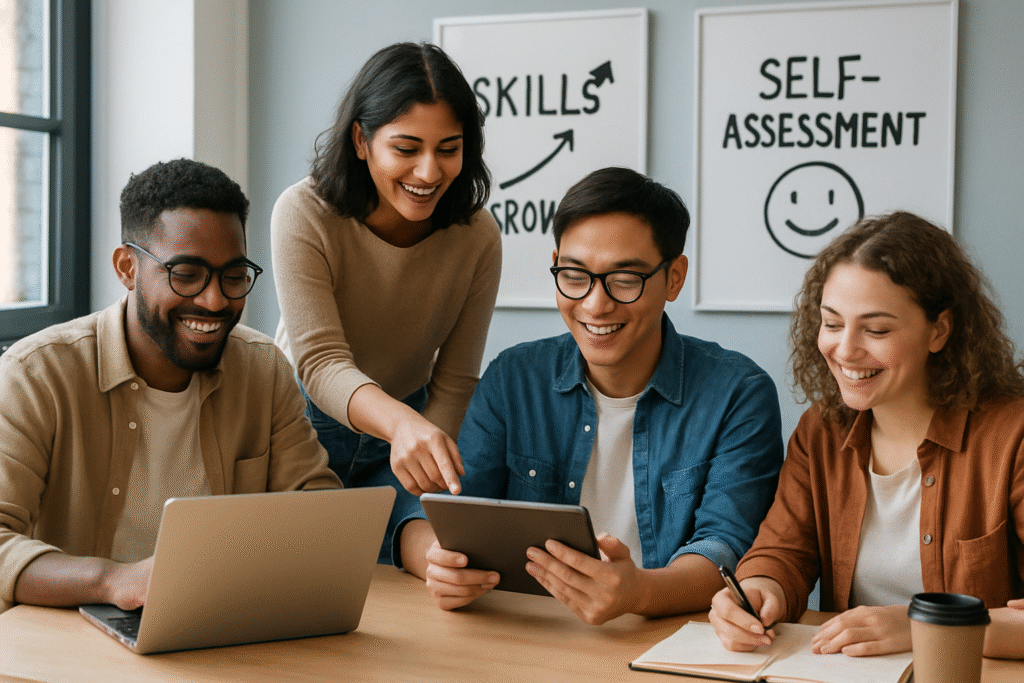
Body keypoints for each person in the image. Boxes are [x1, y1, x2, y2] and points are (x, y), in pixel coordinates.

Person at [397, 167, 784, 625]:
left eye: (624, 279)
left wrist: (638, 592)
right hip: (529, 637)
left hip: (666, 639)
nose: (595, 305)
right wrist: (435, 561)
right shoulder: (514, 378)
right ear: (557, 262)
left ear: (674, 277)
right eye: (575, 275)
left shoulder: (739, 394)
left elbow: (727, 548)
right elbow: (429, 512)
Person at [0, 158, 341, 614]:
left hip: (218, 626)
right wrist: (113, 581)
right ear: (127, 267)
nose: (214, 299)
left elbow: (319, 512)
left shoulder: (263, 370)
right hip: (73, 639)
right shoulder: (37, 374)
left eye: (234, 276)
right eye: (186, 274)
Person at [709, 211, 1024, 659]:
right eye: (832, 324)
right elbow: (783, 551)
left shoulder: (1014, 436)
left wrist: (922, 626)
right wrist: (759, 592)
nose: (846, 350)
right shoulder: (820, 431)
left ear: (939, 330)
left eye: (876, 330)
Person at [271, 42, 501, 563]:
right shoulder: (304, 212)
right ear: (361, 140)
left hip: (414, 428)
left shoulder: (478, 236)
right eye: (406, 148)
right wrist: (402, 425)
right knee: (308, 573)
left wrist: (427, 458)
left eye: (448, 148)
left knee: (432, 562)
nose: (428, 172)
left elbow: (457, 379)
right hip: (300, 426)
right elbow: (321, 362)